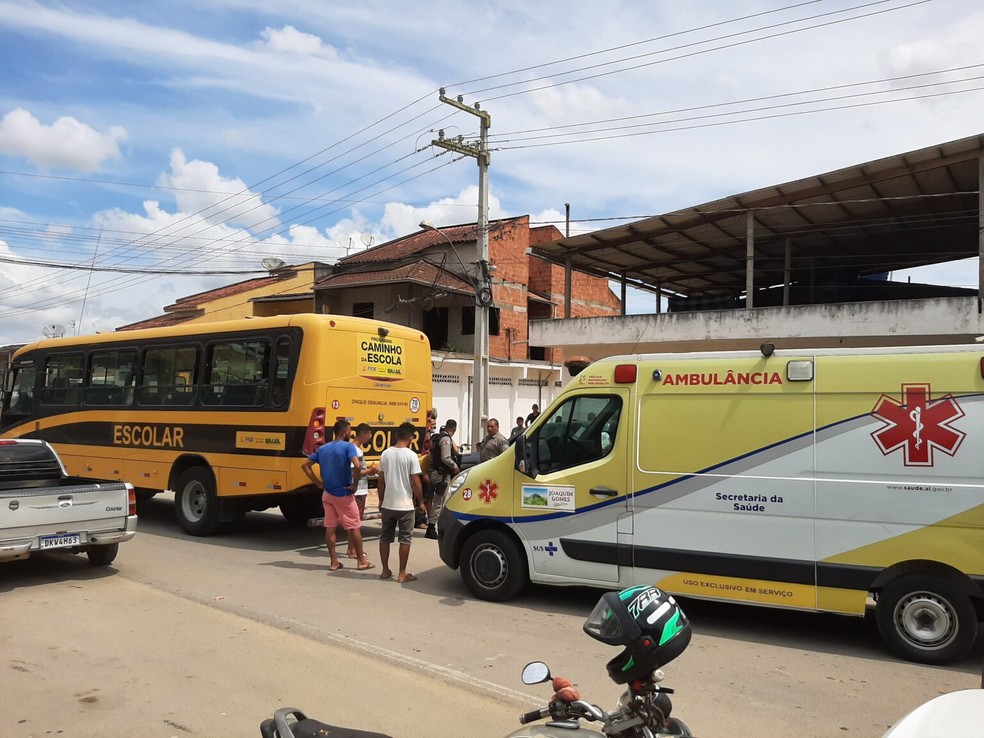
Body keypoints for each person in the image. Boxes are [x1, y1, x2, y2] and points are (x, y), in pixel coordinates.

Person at [301, 419, 374, 573]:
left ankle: (334, 562)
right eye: (349, 431)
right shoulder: (348, 447)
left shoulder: (323, 449)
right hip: (343, 494)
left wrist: (317, 482)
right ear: (343, 432)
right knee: (354, 526)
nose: (351, 433)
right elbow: (358, 465)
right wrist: (354, 484)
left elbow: (305, 465)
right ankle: (361, 560)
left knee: (330, 527)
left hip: (327, 493)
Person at [377, 422, 424, 584]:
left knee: (385, 537)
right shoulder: (411, 456)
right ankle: (402, 573)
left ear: (397, 435)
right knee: (405, 539)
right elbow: (416, 482)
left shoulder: (385, 454)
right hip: (405, 506)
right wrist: (421, 502)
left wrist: (381, 499)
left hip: (388, 504)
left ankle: (385, 570)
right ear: (411, 437)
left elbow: (381, 481)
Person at [346, 423, 378, 559]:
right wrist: (369, 471)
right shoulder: (354, 450)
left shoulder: (357, 450)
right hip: (358, 490)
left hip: (360, 489)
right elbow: (354, 472)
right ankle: (353, 550)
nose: (370, 438)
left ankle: (350, 548)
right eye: (369, 435)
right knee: (355, 521)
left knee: (354, 521)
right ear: (363, 434)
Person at [427, 418, 459, 539]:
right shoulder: (445, 439)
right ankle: (432, 528)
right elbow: (446, 458)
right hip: (442, 475)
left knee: (438, 501)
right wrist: (455, 466)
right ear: (454, 429)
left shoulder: (437, 437)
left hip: (436, 473)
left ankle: (433, 526)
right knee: (439, 502)